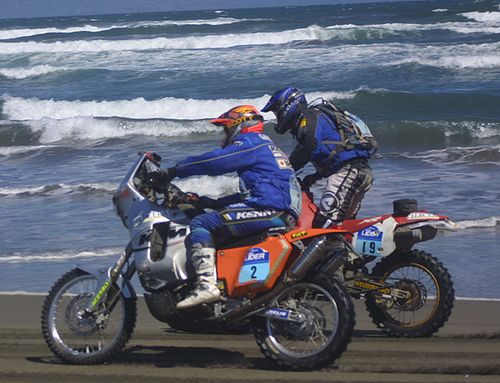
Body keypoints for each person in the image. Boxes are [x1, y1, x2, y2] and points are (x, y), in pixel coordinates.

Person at [150, 105, 302, 310]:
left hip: (270, 209)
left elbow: (214, 162)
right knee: (218, 219)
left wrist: (175, 171)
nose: (224, 135)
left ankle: (206, 285)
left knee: (202, 223)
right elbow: (255, 193)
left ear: (238, 125)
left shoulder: (250, 143)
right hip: (279, 209)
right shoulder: (267, 146)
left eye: (225, 129)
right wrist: (211, 203)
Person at [262, 87, 375, 228]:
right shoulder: (317, 116)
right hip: (358, 171)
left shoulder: (309, 116)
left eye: (277, 111)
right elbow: (332, 154)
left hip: (348, 172)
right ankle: (348, 250)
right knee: (344, 227)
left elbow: (309, 144)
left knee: (325, 224)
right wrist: (313, 177)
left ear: (288, 105)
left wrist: (286, 169)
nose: (277, 116)